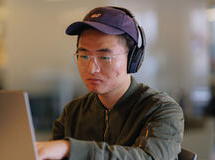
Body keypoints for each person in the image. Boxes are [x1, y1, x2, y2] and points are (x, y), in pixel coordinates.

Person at [36, 6, 184, 160]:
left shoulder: (161, 110)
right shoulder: (73, 112)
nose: (92, 69)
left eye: (105, 57)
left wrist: (70, 149)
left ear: (133, 59)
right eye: (84, 56)